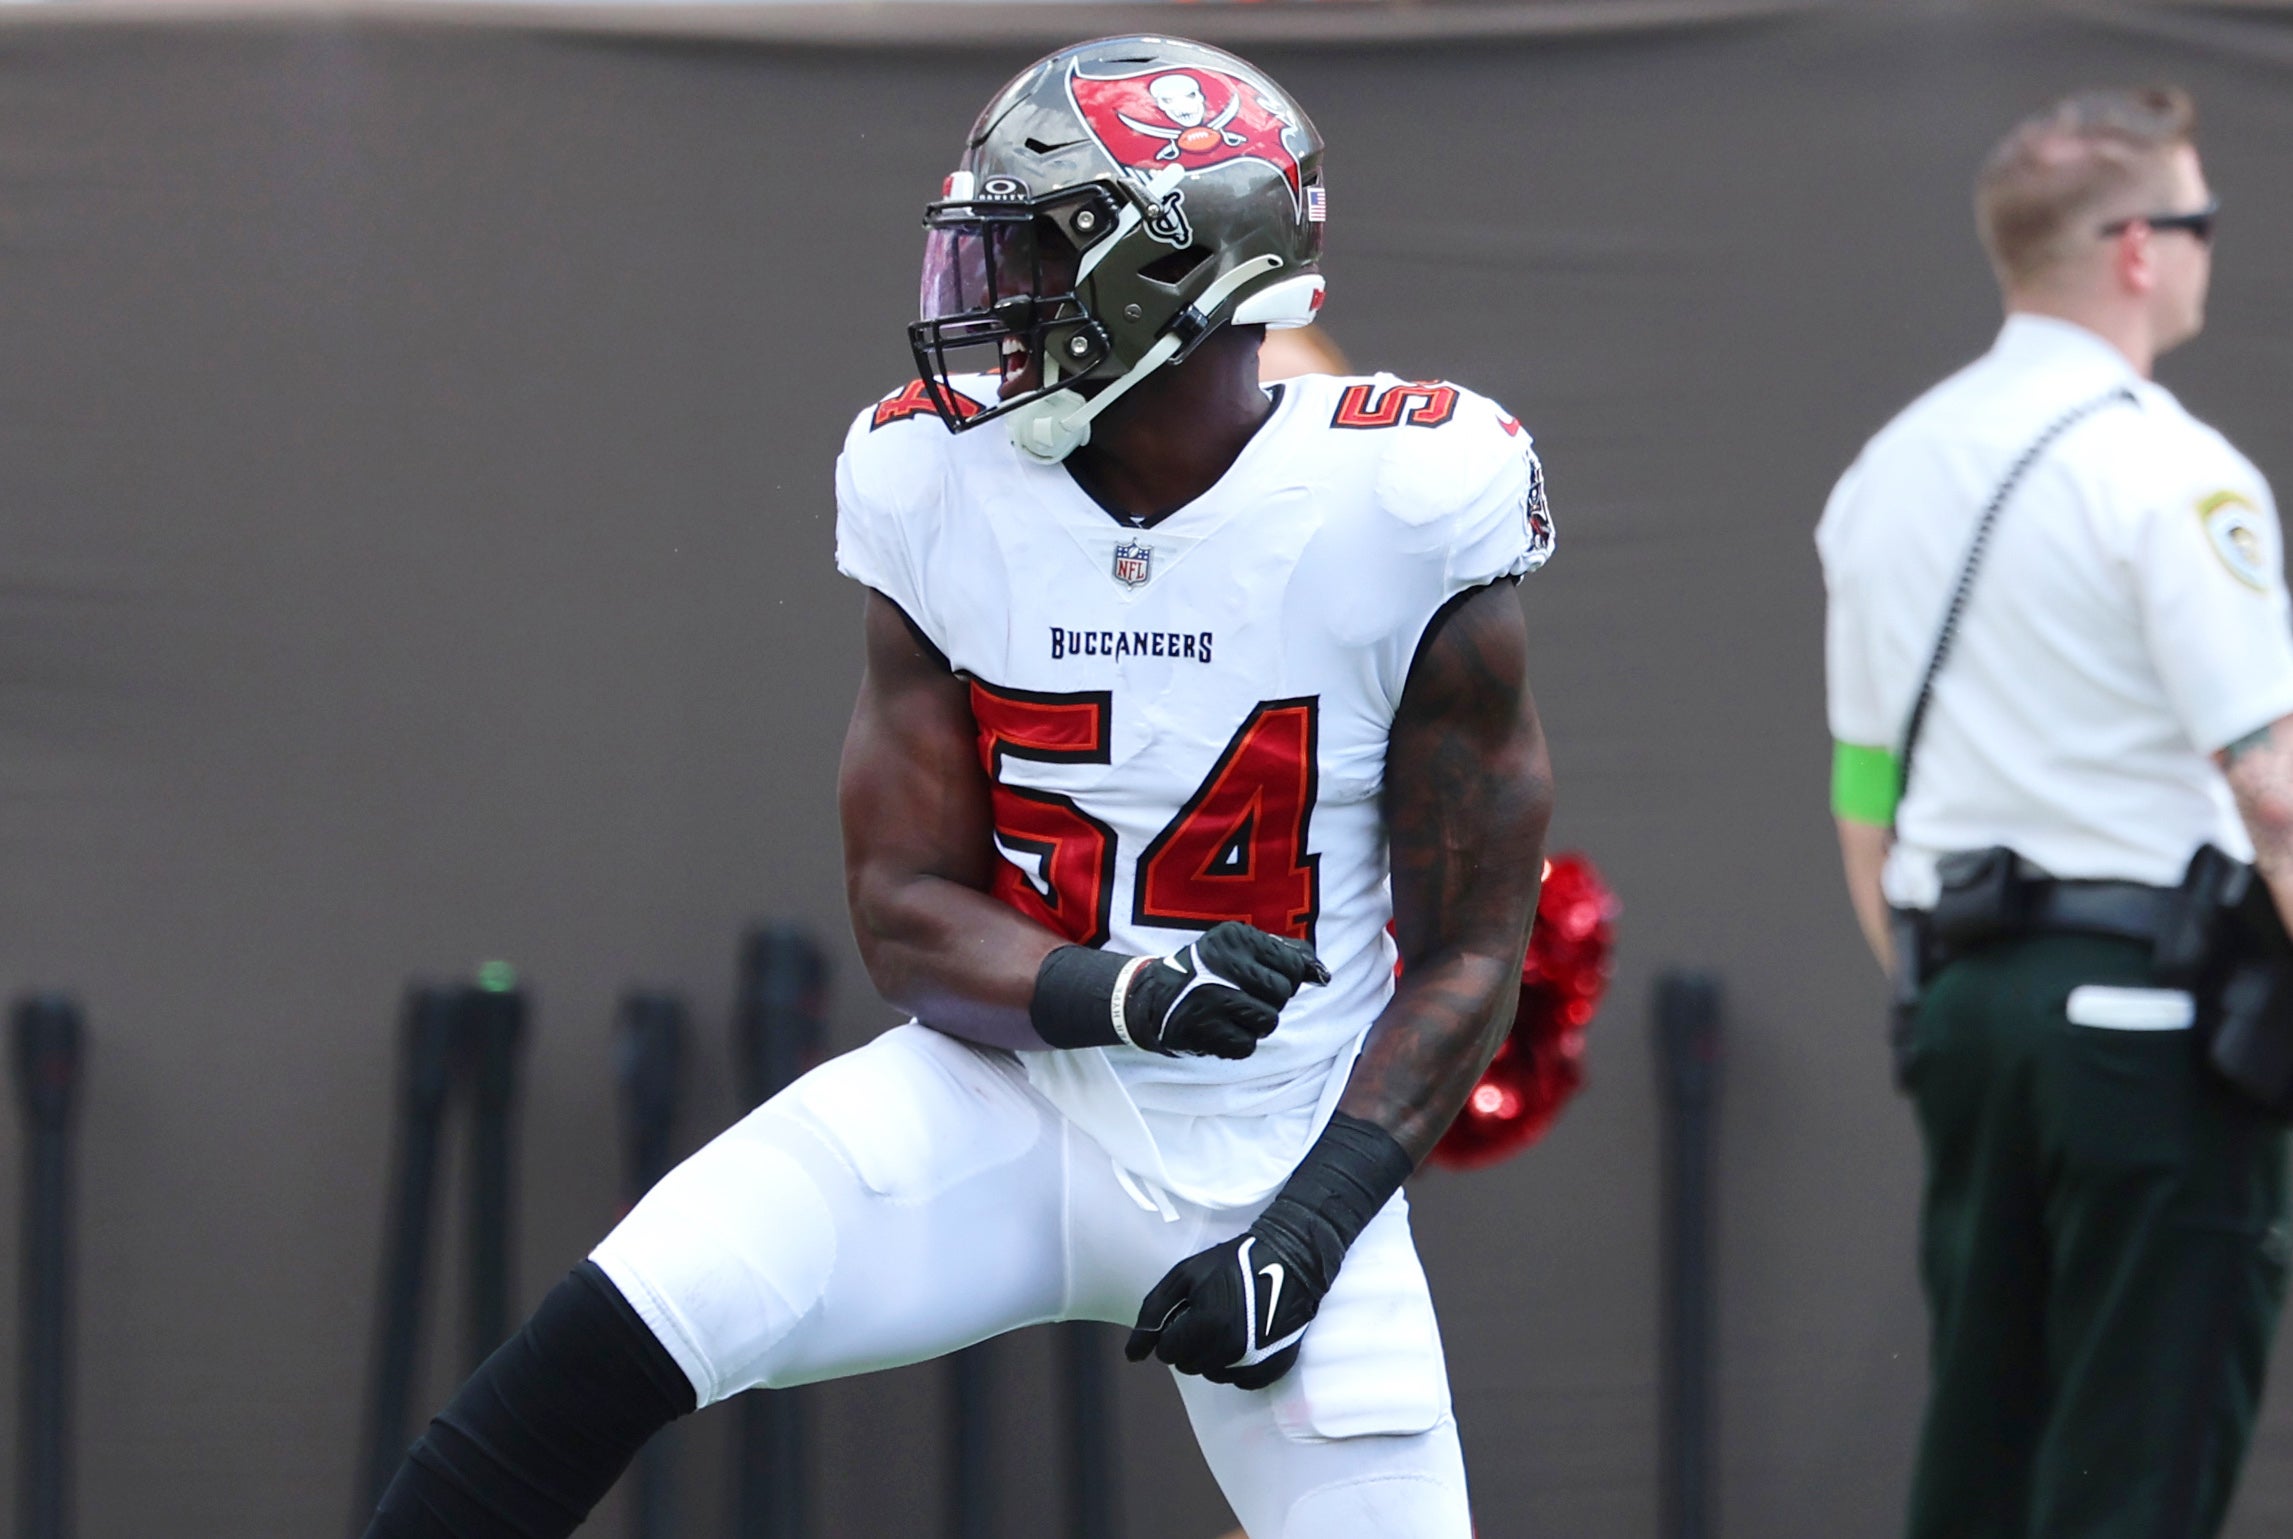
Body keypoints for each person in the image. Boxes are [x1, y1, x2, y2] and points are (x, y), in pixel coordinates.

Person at [362, 35, 1556, 1539]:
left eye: (1040, 244)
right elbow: (903, 909)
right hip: (1007, 1091)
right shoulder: (934, 478)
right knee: (584, 1356)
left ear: (1167, 272)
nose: (992, 289)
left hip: (1286, 1141)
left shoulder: (1405, 502)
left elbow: (1470, 951)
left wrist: (1312, 1230)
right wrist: (1122, 993)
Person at [1819, 86, 2293, 1539]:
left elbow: (1860, 803)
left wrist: (1931, 992)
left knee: (1987, 1432)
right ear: (2141, 246)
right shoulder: (2170, 470)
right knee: (2135, 1455)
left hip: (1963, 1005)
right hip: (2150, 1018)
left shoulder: (1885, 469)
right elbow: (2272, 785)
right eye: (2200, 222)